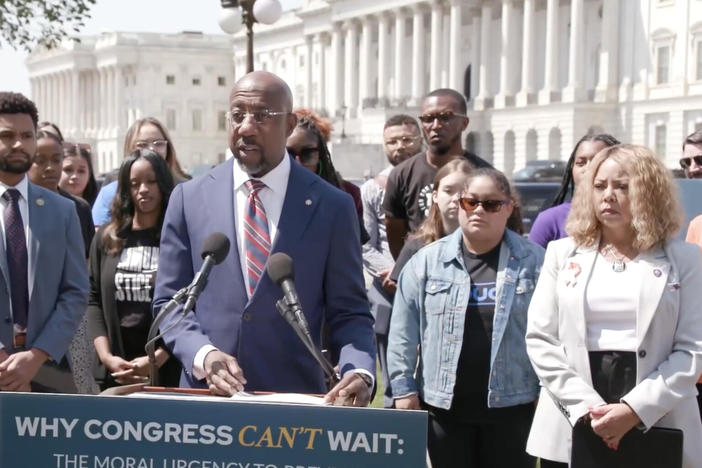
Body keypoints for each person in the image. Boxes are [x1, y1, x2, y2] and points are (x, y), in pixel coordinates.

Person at [152, 71, 375, 405]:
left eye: (261, 116)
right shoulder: (188, 199)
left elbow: (350, 312)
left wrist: (359, 370)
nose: (245, 127)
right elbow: (169, 304)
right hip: (207, 404)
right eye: (237, 116)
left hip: (295, 405)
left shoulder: (333, 206)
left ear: (289, 125)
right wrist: (203, 354)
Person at [526, 144, 702, 468]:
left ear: (650, 193)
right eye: (599, 186)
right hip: (574, 411)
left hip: (660, 410)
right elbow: (540, 339)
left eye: (622, 186)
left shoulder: (687, 259)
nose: (608, 195)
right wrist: (587, 408)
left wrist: (633, 410)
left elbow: (693, 349)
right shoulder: (560, 253)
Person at [388, 167, 542, 468]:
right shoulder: (427, 263)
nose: (479, 210)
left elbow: (554, 334)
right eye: (471, 202)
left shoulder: (536, 262)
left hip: (514, 408)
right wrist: (404, 388)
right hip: (445, 410)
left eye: (492, 204)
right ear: (460, 205)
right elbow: (402, 332)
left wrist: (545, 392)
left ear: (508, 208)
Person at [0, 92, 88, 392]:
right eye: (7, 135)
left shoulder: (63, 211)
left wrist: (36, 356)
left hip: (49, 371)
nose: (18, 144)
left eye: (27, 135)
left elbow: (75, 292)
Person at [87, 149, 180, 389]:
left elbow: (193, 304)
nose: (143, 190)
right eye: (135, 183)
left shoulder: (179, 238)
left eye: (151, 181)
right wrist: (107, 357)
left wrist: (157, 358)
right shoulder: (107, 238)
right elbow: (92, 299)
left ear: (163, 184)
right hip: (114, 371)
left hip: (167, 373)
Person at [383, 88, 491, 259]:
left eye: (445, 117)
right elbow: (395, 233)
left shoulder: (484, 175)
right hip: (420, 271)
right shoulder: (401, 174)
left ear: (464, 123)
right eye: (427, 119)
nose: (435, 125)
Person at [361, 114, 422, 408]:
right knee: (392, 369)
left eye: (407, 139)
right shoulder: (372, 188)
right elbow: (365, 243)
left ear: (420, 140)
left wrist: (408, 272)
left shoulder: (434, 180)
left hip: (429, 281)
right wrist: (392, 272)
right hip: (385, 287)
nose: (400, 147)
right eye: (392, 141)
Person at [286, 109, 369, 244]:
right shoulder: (266, 194)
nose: (298, 163)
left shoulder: (348, 194)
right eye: (288, 154)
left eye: (307, 153)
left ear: (321, 155)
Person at [91, 117, 189, 227]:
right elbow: (101, 239)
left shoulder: (186, 191)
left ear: (168, 148)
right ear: (129, 150)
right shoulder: (110, 194)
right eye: (142, 144)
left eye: (159, 143)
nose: (152, 149)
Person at [529, 133, 620, 248]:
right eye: (580, 163)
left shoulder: (628, 215)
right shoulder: (550, 220)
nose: (587, 168)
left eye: (596, 161)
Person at [29, 131, 95, 255]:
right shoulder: (16, 206)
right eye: (40, 160)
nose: (50, 167)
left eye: (56, 160)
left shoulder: (79, 208)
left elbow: (87, 259)